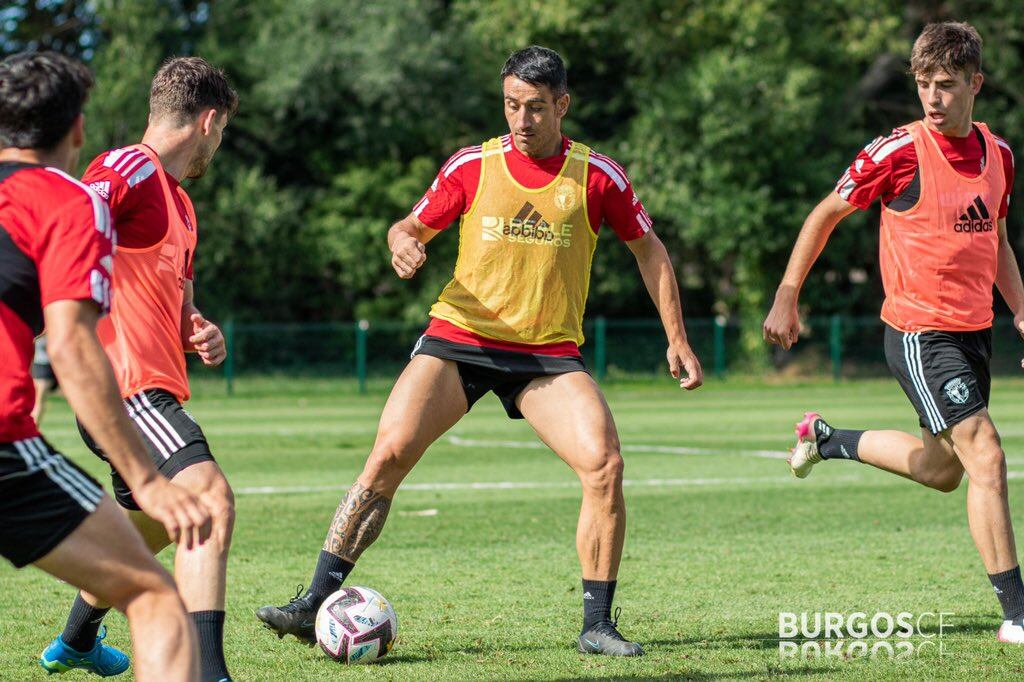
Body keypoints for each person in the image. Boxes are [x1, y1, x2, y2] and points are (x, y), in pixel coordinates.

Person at [257, 45, 703, 657]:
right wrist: (402, 243)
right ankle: (313, 603)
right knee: (388, 453)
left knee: (604, 466)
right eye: (512, 105)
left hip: (546, 354)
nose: (522, 119)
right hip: (460, 338)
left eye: (536, 107)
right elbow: (407, 226)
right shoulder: (472, 165)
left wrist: (677, 338)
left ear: (563, 105)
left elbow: (649, 251)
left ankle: (597, 625)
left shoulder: (598, 176)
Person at [763, 22, 1024, 643]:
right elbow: (826, 213)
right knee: (986, 453)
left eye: (947, 84)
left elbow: (997, 240)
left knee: (943, 470)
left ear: (976, 84)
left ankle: (828, 440)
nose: (933, 97)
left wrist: (1021, 310)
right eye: (924, 83)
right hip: (918, 331)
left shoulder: (1000, 155)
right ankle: (1017, 612)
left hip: (974, 331)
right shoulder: (897, 152)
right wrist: (788, 292)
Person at [0, 51, 211, 681]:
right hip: (12, 439)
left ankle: (77, 640)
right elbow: (70, 344)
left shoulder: (177, 206)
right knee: (154, 595)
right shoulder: (72, 201)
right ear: (78, 129)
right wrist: (147, 481)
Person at [30, 335, 58, 425]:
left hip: (46, 366)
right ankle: (33, 426)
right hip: (39, 366)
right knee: (37, 401)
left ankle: (34, 426)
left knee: (39, 401)